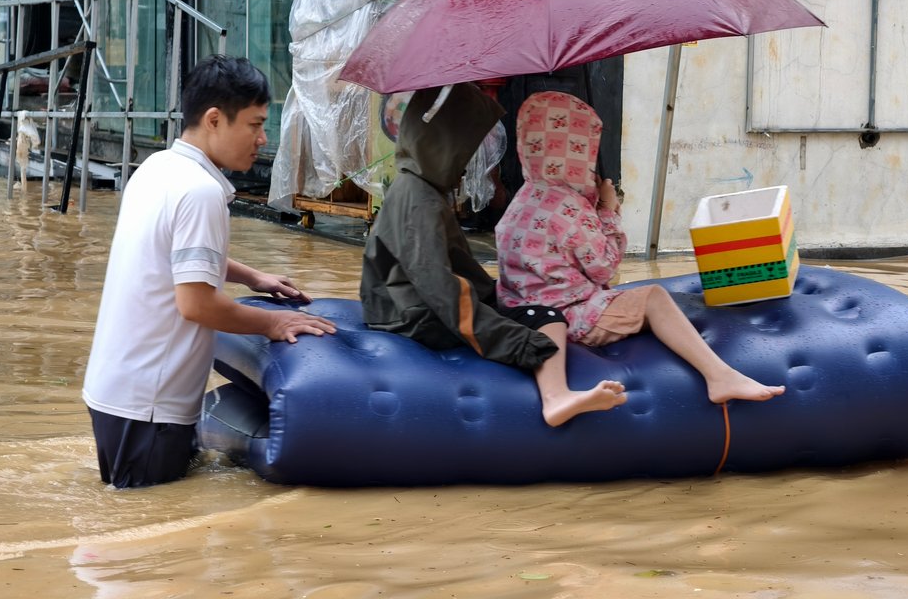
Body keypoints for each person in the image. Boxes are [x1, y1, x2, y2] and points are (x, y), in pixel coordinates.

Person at [82, 55, 337, 488]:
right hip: (151, 405)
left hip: (116, 389)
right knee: (148, 543)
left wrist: (252, 277)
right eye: (255, 125)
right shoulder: (199, 192)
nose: (262, 139)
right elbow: (197, 303)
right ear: (215, 119)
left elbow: (166, 255)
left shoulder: (158, 168)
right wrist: (274, 322)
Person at [495, 91, 785, 416]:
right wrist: (608, 210)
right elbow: (605, 268)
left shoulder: (523, 198)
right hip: (573, 314)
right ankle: (719, 375)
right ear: (579, 152)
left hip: (527, 312)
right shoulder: (571, 208)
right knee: (654, 297)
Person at [360, 83, 625, 427]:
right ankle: (557, 397)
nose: (469, 158)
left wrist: (495, 297)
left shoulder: (420, 187)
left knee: (522, 306)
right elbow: (438, 286)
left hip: (401, 304)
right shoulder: (419, 200)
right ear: (445, 143)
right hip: (409, 315)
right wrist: (516, 341)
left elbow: (448, 268)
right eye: (466, 147)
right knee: (543, 315)